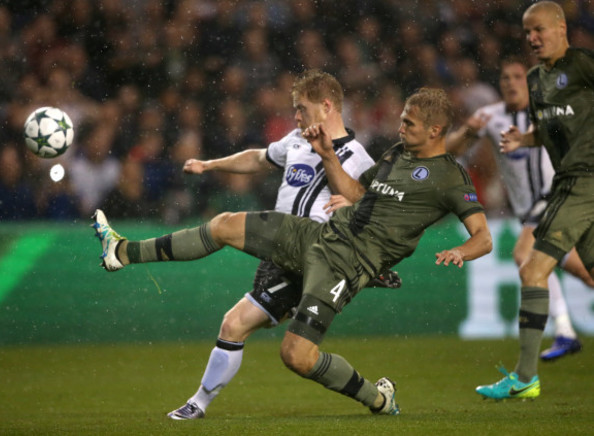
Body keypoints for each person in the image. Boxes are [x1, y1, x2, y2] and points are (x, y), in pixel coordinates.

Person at [92, 87, 493, 416]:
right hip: (320, 237)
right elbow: (354, 192)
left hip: (347, 265)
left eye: (409, 122)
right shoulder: (394, 155)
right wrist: (329, 157)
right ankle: (122, 251)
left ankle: (377, 398)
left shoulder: (450, 179)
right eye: (402, 117)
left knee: (296, 355)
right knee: (224, 224)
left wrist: (462, 251)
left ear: (436, 130)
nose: (400, 126)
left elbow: (483, 237)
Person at [165, 69, 392, 420]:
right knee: (261, 339)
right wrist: (210, 165)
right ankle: (377, 398)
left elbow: (372, 214)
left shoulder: (359, 159)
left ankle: (198, 404)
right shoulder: (296, 140)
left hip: (314, 262)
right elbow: (258, 158)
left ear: (327, 105)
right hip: (279, 253)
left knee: (254, 333)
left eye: (302, 108)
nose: (297, 116)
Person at [476, 1, 594, 400]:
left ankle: (526, 376)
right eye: (528, 32)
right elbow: (548, 130)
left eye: (539, 29)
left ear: (562, 27)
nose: (532, 38)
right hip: (571, 185)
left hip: (581, 184)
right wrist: (525, 139)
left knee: (530, 268)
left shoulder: (582, 66)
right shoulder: (535, 80)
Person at [446, 57, 591, 361]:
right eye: (505, 78)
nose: (511, 82)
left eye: (517, 77)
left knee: (524, 256)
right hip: (531, 212)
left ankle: (564, 332)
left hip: (554, 198)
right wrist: (468, 132)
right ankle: (565, 332)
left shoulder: (551, 111)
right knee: (585, 272)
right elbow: (452, 150)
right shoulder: (490, 116)